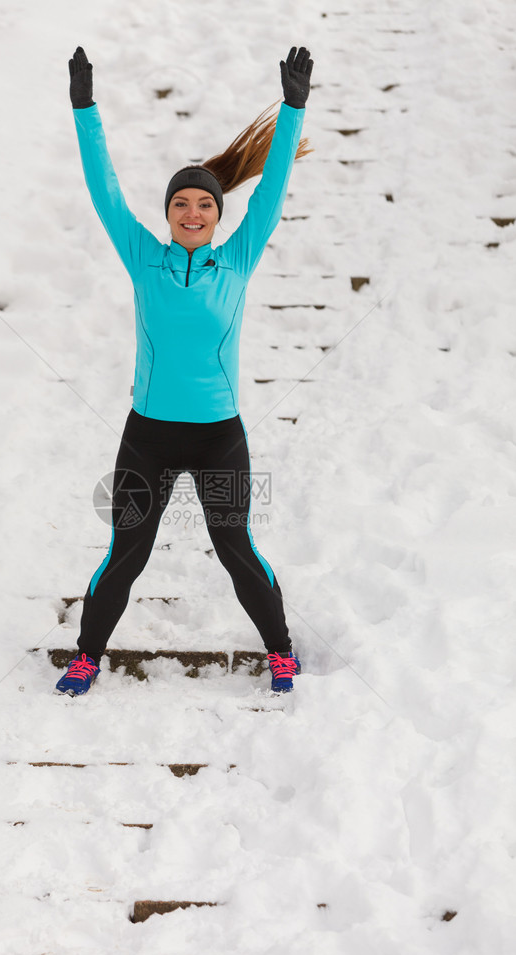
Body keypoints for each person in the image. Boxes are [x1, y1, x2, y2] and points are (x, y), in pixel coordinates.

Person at [57, 44, 314, 697]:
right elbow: (104, 190)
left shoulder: (237, 259)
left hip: (217, 436)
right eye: (181, 206)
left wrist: (292, 109)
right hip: (147, 435)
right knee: (127, 552)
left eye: (203, 205)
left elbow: (275, 186)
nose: (192, 213)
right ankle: (87, 655)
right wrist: (84, 108)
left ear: (218, 214)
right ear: (168, 214)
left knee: (235, 549)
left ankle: (280, 651)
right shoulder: (144, 257)